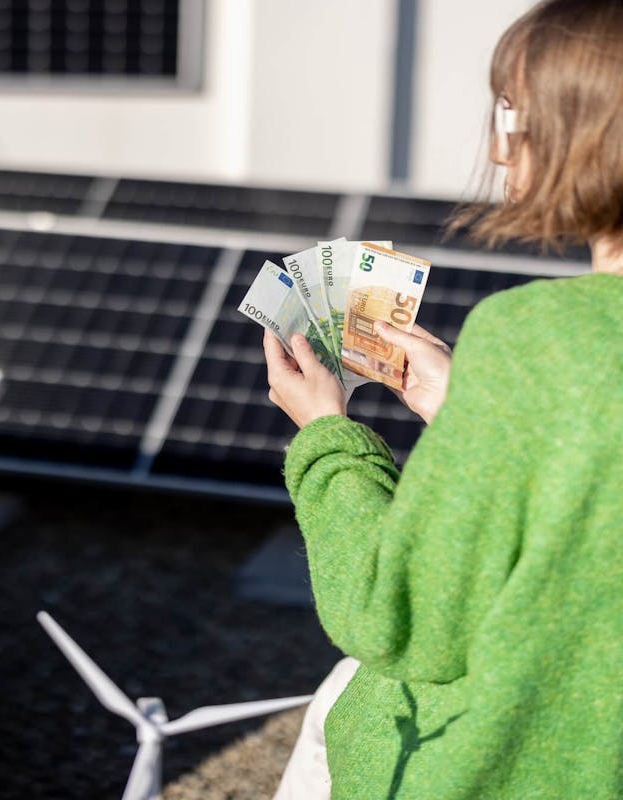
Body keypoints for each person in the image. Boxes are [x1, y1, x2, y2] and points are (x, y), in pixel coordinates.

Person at [264, 1, 623, 797]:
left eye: (509, 109)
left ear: (580, 129)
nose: (497, 141)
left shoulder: (538, 339)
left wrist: (327, 436)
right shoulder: (548, 364)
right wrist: (479, 414)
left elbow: (399, 620)